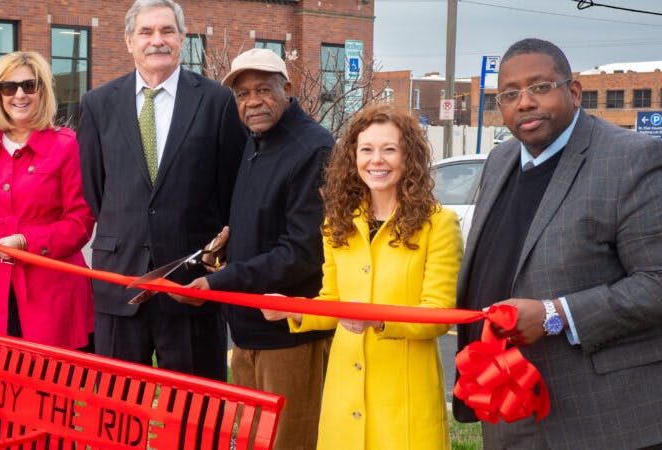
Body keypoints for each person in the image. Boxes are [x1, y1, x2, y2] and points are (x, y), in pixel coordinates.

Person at [453, 38, 662, 449]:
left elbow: (656, 281)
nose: (525, 102)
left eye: (540, 87)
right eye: (510, 94)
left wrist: (556, 315)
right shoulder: (501, 160)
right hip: (511, 405)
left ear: (574, 91)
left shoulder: (632, 158)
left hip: (604, 419)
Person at [264, 103, 463, 449]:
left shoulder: (439, 224)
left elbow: (439, 314)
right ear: (353, 158)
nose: (377, 160)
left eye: (390, 149)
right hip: (345, 390)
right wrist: (292, 309)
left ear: (409, 157)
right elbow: (332, 302)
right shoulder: (336, 224)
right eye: (366, 149)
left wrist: (377, 321)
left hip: (405, 394)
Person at [170, 48, 334, 450]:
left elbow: (302, 252)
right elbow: (260, 223)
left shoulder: (312, 147)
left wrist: (220, 283)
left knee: (289, 442)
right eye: (242, 95)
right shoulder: (256, 139)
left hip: (289, 337)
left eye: (263, 89)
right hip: (245, 332)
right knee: (250, 441)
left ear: (288, 89)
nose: (252, 101)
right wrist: (221, 253)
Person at [77, 0, 245, 380]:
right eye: (147, 32)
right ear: (128, 41)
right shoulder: (99, 104)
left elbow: (230, 188)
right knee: (118, 409)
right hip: (120, 281)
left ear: (183, 39)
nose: (158, 40)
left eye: (167, 31)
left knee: (197, 412)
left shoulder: (217, 102)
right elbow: (95, 189)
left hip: (191, 285)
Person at [0, 51, 94, 349]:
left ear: (43, 91)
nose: (19, 95)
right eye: (8, 87)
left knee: (50, 385)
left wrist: (27, 242)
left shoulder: (67, 145)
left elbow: (80, 222)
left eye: (30, 85)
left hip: (50, 289)